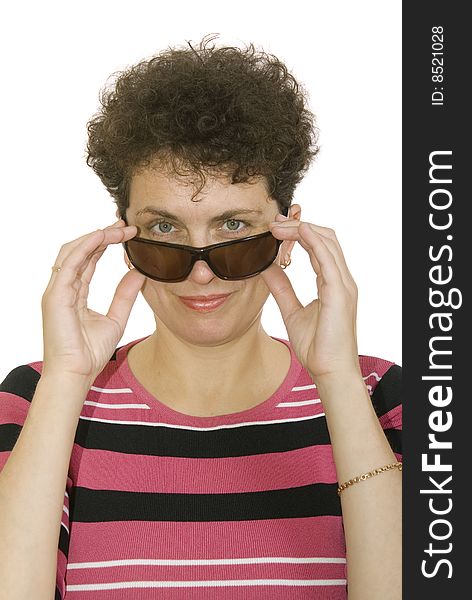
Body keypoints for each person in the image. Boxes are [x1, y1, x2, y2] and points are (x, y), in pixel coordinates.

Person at [0, 36, 401, 599]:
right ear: (124, 236)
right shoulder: (36, 399)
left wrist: (336, 377)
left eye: (234, 228)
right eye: (164, 230)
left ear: (288, 235)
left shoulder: (385, 398)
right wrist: (68, 378)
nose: (202, 273)